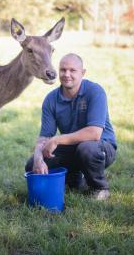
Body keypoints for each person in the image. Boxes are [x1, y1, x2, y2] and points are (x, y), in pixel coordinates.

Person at [25, 53, 117, 200]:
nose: (67, 74)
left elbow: (94, 133)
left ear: (83, 73)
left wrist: (56, 140)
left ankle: (99, 187)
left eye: (72, 70)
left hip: (100, 147)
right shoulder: (51, 99)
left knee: (87, 149)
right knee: (31, 166)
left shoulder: (95, 92)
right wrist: (38, 158)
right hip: (71, 146)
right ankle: (75, 179)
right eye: (63, 70)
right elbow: (44, 137)